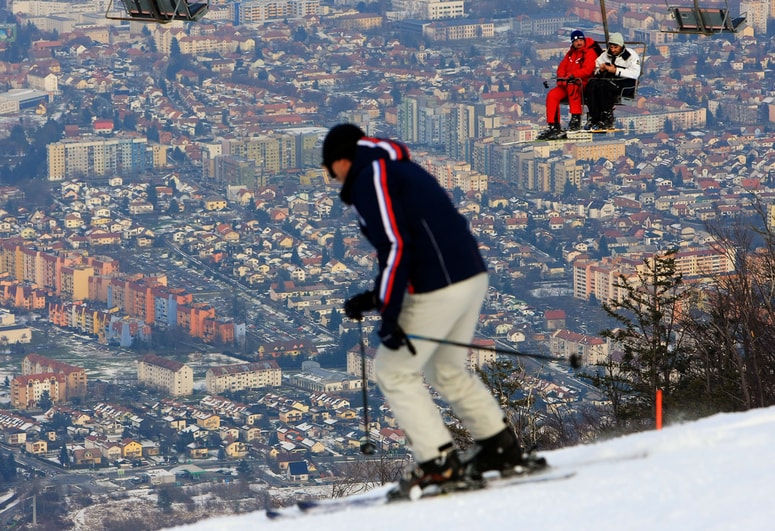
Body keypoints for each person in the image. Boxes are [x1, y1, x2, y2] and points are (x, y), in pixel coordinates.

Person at [322, 123, 544, 497]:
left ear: (341, 160)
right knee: (444, 368)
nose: (331, 176)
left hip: (438, 285)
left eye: (330, 167)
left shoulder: (369, 178)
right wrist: (377, 297)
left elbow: (395, 246)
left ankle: (438, 463)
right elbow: (420, 236)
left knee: (393, 371)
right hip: (469, 275)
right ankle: (500, 448)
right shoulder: (395, 168)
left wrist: (390, 316)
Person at [538, 29, 601, 140]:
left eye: (581, 40)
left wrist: (572, 75)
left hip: (583, 83)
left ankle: (575, 119)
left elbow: (588, 69)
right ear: (572, 42)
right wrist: (562, 78)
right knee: (552, 95)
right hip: (568, 83)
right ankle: (553, 125)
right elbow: (562, 67)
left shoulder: (589, 52)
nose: (579, 43)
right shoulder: (571, 54)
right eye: (576, 41)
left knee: (573, 86)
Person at [584, 32, 641, 130]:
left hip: (624, 83)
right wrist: (600, 70)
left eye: (616, 47)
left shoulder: (630, 55)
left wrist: (616, 71)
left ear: (621, 46)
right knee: (592, 85)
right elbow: (596, 66)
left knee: (604, 86)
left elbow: (635, 73)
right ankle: (594, 116)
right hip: (608, 80)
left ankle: (607, 116)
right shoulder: (606, 55)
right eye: (611, 47)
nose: (613, 50)